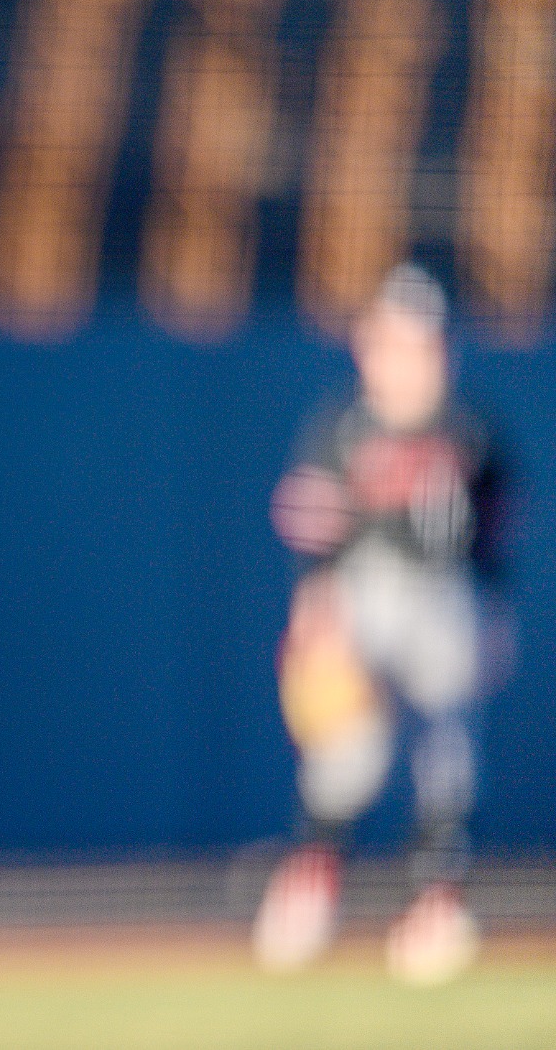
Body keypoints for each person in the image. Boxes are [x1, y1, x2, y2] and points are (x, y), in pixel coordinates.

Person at [253, 265, 510, 985]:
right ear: (371, 348)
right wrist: (314, 608)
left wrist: (493, 606)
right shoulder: (340, 425)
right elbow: (311, 530)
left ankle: (436, 903)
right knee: (350, 753)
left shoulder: (474, 430)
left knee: (448, 749)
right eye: (398, 343)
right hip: (363, 596)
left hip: (445, 596)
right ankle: (312, 876)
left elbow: (493, 530)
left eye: (425, 344)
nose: (413, 359)